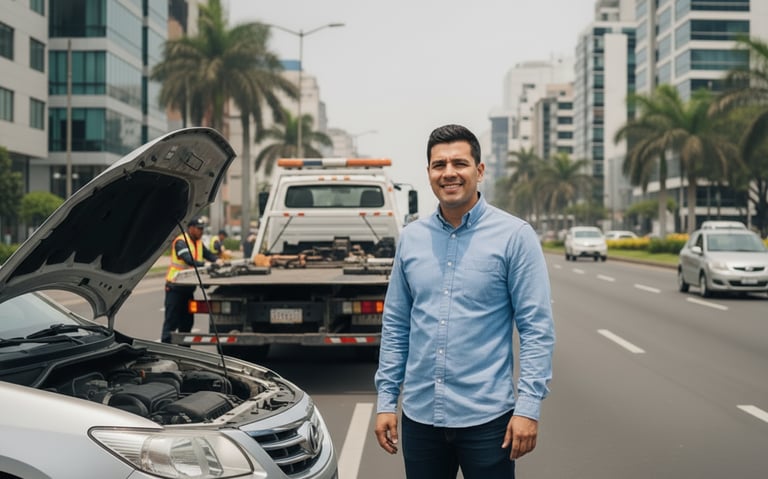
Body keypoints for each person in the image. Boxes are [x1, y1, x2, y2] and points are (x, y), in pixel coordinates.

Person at [374, 124, 555, 478]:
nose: (449, 173)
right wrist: (385, 401)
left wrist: (528, 408)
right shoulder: (411, 239)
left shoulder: (514, 236)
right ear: (428, 173)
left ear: (479, 171)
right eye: (439, 165)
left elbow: (537, 329)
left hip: (488, 421)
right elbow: (396, 326)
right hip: (420, 418)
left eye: (460, 163)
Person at [162, 216, 222, 343]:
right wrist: (206, 265)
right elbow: (187, 259)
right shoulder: (181, 241)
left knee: (187, 322)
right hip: (175, 287)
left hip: (188, 289)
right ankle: (165, 351)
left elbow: (208, 254)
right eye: (199, 229)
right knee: (171, 321)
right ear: (191, 228)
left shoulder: (199, 243)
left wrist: (217, 260)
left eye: (202, 229)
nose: (201, 231)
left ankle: (185, 353)